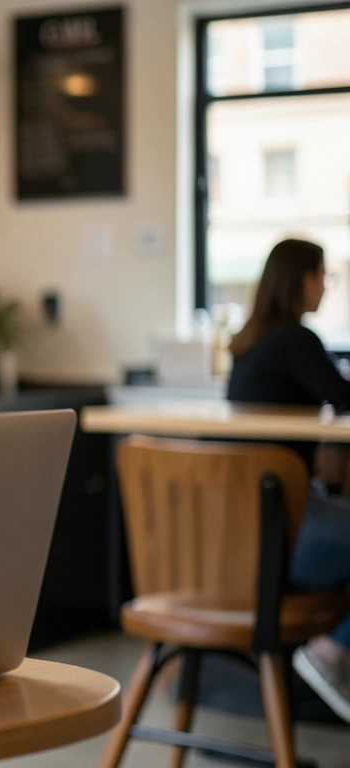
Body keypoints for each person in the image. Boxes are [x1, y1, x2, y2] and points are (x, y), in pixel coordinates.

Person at [227, 237, 350, 722]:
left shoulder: (249, 341)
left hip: (242, 527)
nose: (325, 286)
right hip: (283, 525)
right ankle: (330, 653)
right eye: (323, 276)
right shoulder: (295, 340)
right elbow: (342, 395)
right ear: (303, 280)